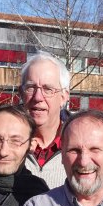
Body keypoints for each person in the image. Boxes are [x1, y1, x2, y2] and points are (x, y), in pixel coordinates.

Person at [20, 51, 70, 187]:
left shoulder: (81, 147)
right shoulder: (0, 143)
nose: (38, 97)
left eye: (48, 89)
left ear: (64, 97)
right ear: (21, 93)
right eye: (30, 88)